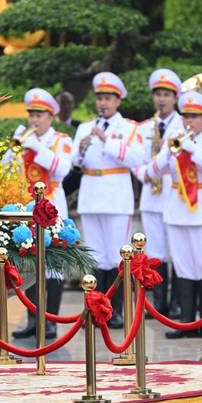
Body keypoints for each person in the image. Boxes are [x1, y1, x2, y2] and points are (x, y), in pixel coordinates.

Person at [147, 91, 202, 338]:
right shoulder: (174, 140)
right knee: (182, 267)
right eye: (186, 117)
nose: (189, 122)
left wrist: (192, 149)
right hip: (176, 209)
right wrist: (166, 153)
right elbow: (153, 171)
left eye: (195, 117)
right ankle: (185, 323)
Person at [72, 72, 144, 328]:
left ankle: (114, 311)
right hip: (91, 195)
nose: (103, 103)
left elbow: (137, 158)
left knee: (117, 256)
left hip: (115, 196)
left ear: (118, 100)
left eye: (108, 98)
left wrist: (108, 142)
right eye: (100, 98)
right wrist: (80, 151)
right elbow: (75, 162)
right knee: (94, 256)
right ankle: (94, 310)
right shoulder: (84, 127)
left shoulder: (129, 128)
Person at [5, 88, 73, 339]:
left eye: (39, 114)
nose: (34, 119)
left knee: (53, 264)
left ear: (50, 116)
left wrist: (36, 147)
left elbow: (62, 169)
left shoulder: (61, 140)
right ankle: (33, 318)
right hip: (27, 206)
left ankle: (52, 320)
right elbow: (5, 167)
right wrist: (16, 148)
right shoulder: (24, 139)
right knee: (30, 263)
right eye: (31, 114)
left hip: (53, 204)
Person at [133, 69, 183, 316]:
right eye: (158, 95)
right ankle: (158, 303)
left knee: (176, 250)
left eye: (167, 95)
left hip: (174, 193)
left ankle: (177, 303)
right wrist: (144, 173)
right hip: (151, 194)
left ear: (175, 98)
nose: (161, 99)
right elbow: (135, 158)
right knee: (155, 252)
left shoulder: (183, 126)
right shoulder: (144, 127)